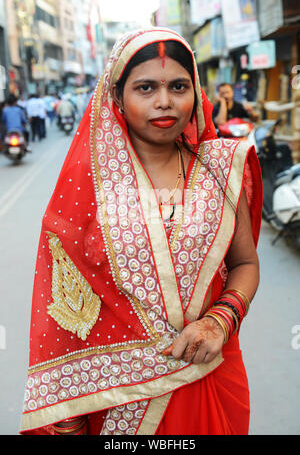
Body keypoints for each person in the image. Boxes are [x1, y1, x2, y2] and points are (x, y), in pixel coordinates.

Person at [20, 28, 262, 436]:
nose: (164, 101)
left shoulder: (222, 168)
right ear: (118, 97)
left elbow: (245, 263)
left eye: (178, 86)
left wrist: (219, 322)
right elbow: (60, 305)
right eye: (146, 87)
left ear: (195, 92)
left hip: (207, 377)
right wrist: (67, 407)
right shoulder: (86, 190)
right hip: (116, 402)